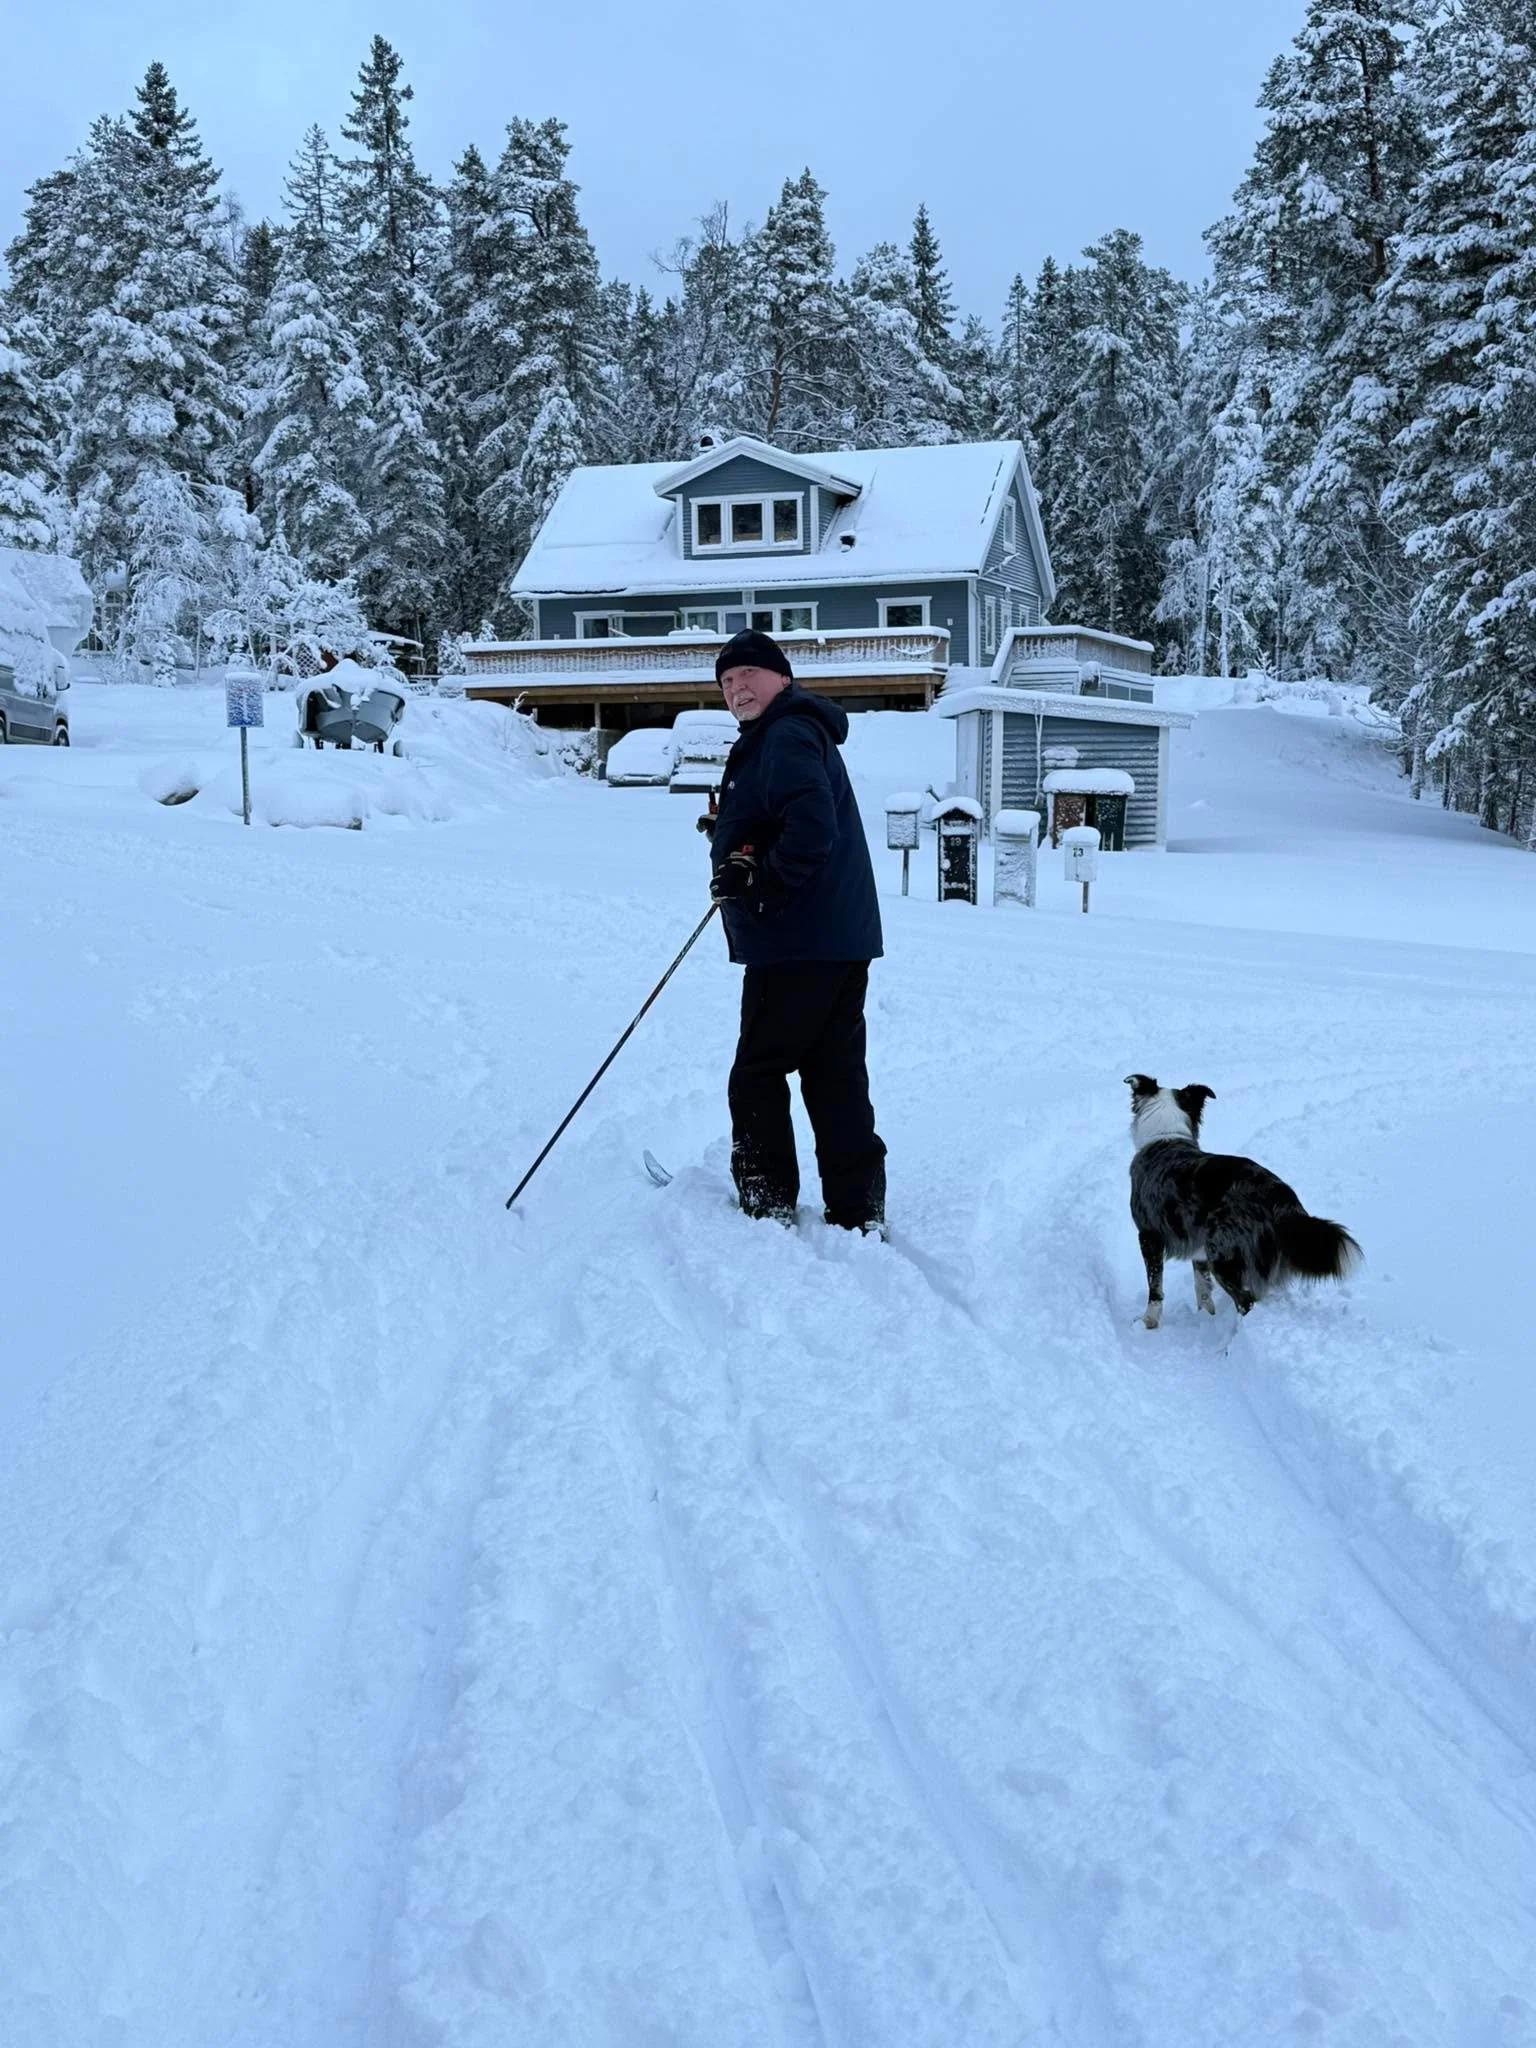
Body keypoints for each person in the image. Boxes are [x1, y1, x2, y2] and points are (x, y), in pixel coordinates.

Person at [702, 628, 887, 1232]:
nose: (736, 689)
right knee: (833, 1074)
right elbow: (792, 818)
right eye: (726, 682)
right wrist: (734, 836)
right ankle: (858, 1212)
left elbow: (811, 828)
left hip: (796, 941)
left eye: (746, 675)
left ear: (780, 677)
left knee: (758, 1070)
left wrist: (761, 886)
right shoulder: (792, 731)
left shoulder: (782, 733)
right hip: (836, 937)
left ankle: (768, 1202)